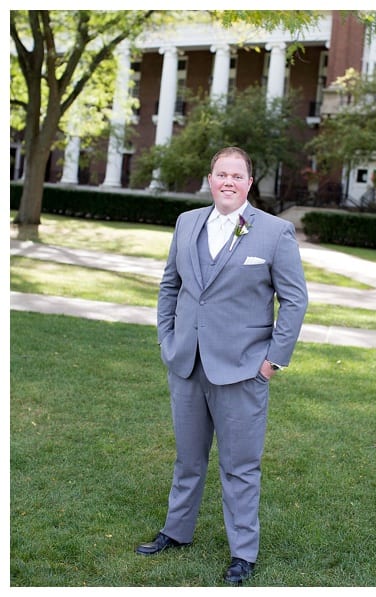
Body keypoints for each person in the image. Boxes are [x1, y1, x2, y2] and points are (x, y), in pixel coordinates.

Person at [135, 146, 308, 585]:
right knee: (188, 458)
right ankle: (176, 531)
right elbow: (169, 286)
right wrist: (166, 339)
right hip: (187, 363)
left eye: (236, 175)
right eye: (220, 174)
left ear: (249, 183)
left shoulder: (274, 232)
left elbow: (295, 300)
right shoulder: (187, 222)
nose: (228, 182)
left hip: (244, 369)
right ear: (209, 179)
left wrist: (271, 362)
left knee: (240, 465)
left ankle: (243, 552)